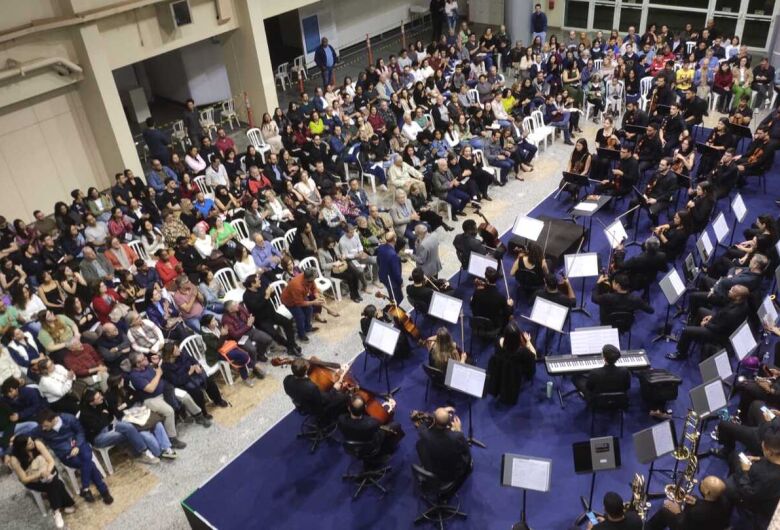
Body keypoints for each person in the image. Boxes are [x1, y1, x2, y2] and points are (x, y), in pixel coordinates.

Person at [32, 409, 113, 504]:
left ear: (53, 420)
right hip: (65, 453)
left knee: (86, 457)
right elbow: (27, 436)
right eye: (42, 426)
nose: (43, 429)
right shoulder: (41, 428)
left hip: (79, 444)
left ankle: (86, 488)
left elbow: (80, 432)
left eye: (45, 426)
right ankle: (102, 491)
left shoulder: (69, 418)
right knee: (88, 463)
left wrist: (77, 446)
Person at [79, 388, 163, 465]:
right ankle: (142, 454)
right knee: (127, 433)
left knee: (128, 427)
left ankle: (142, 451)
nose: (101, 397)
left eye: (100, 395)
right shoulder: (85, 414)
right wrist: (104, 416)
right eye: (98, 398)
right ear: (91, 402)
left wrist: (104, 418)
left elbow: (110, 417)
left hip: (109, 426)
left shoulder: (100, 404)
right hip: (98, 437)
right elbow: (98, 427)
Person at [7, 435, 75, 528]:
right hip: (32, 479)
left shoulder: (37, 444)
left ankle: (56, 512)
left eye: (31, 440)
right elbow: (24, 479)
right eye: (29, 443)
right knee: (55, 483)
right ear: (23, 448)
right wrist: (39, 475)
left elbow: (51, 461)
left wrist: (47, 472)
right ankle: (62, 508)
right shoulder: (14, 459)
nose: (32, 443)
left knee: (51, 481)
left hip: (48, 469)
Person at [667, 285, 750, 360]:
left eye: (732, 291)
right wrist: (711, 317)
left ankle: (681, 353)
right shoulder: (742, 302)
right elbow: (722, 315)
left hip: (719, 334)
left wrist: (706, 324)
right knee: (701, 310)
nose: (729, 290)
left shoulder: (732, 313)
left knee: (686, 330)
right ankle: (693, 335)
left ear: (738, 297)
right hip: (720, 321)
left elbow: (719, 328)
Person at [725, 423, 780, 523]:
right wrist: (759, 458)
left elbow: (750, 494)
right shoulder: (775, 457)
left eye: (763, 449)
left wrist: (745, 472)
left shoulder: (769, 478)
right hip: (762, 481)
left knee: (728, 486)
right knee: (736, 456)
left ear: (771, 452)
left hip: (758, 500)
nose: (762, 450)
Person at [160, 342, 227, 420]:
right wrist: (189, 373)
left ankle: (218, 400)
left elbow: (192, 360)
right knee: (197, 393)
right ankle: (203, 413)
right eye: (176, 350)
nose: (179, 350)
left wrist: (197, 366)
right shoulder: (166, 367)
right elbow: (177, 381)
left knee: (209, 381)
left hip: (194, 375)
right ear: (171, 355)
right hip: (183, 383)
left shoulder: (182, 354)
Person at [645, 475, 731, 530]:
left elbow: (682, 527)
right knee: (694, 497)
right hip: (712, 525)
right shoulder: (725, 502)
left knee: (664, 512)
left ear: (707, 492)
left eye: (703, 483)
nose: (701, 482)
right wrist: (696, 501)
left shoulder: (697, 512)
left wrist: (678, 512)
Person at [415, 406, 472, 488]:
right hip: (450, 475)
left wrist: (437, 414)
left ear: (434, 421)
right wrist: (459, 430)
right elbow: (466, 452)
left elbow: (422, 425)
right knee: (467, 459)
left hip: (432, 468)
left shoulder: (425, 434)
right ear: (449, 422)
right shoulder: (457, 437)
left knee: (420, 444)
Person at [486, 322, 536, 405]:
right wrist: (528, 342)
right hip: (514, 372)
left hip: (501, 368)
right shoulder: (521, 352)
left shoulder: (498, 341)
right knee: (532, 344)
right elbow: (533, 356)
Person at [337, 394, 401, 458]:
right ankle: (389, 449)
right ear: (365, 407)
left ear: (349, 408)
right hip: (371, 446)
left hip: (352, 446)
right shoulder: (372, 423)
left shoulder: (341, 419)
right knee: (396, 425)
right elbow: (380, 430)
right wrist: (390, 409)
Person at [282, 357, 347, 421]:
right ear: (306, 371)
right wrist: (335, 388)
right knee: (343, 397)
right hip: (317, 410)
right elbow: (326, 399)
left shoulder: (287, 380)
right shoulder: (311, 387)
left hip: (301, 405)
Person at [280, 268, 322, 343]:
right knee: (300, 316)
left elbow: (314, 288)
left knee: (309, 309)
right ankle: (301, 335)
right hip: (290, 301)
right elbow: (299, 303)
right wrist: (313, 302)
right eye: (312, 279)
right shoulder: (297, 285)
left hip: (301, 296)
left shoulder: (310, 278)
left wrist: (318, 298)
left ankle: (308, 328)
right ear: (307, 279)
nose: (313, 280)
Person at [377, 231, 404, 304]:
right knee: (398, 298)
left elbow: (378, 261)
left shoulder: (380, 248)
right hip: (392, 280)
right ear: (395, 239)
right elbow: (396, 273)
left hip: (383, 276)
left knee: (392, 294)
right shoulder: (393, 255)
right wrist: (400, 282)